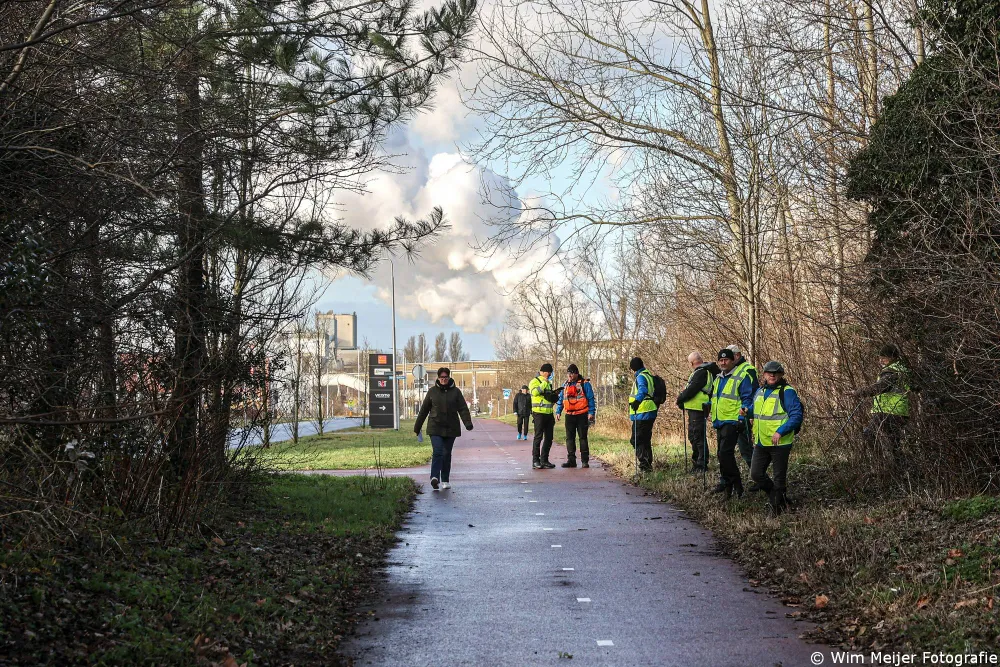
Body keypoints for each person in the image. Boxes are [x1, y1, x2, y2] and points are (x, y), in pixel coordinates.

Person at [747, 361, 803, 515]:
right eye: (769, 373)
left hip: (781, 443)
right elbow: (756, 410)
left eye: (775, 373)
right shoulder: (760, 391)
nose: (772, 375)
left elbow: (796, 416)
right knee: (756, 474)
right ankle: (778, 497)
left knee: (779, 478)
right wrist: (747, 411)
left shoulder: (787, 392)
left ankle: (776, 509)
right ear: (764, 374)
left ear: (781, 375)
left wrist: (780, 431)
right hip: (761, 441)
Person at [414, 367, 474, 491]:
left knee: (446, 454)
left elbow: (463, 408)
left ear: (449, 377)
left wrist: (467, 423)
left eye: (445, 377)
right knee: (438, 452)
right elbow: (424, 410)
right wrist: (417, 426)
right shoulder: (432, 392)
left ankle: (445, 480)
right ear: (438, 378)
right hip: (435, 427)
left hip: (451, 427)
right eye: (441, 378)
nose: (443, 380)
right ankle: (434, 477)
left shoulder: (456, 392)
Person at [852, 344, 912, 461]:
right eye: (880, 358)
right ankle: (898, 467)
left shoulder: (891, 372)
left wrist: (858, 392)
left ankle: (880, 463)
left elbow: (878, 388)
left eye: (884, 358)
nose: (880, 361)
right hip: (899, 412)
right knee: (894, 445)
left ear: (892, 358)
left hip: (889, 411)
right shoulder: (902, 369)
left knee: (868, 434)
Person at [709, 348, 755, 498]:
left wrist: (742, 418)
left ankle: (737, 485)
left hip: (733, 421)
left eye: (726, 360)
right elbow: (717, 399)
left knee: (725, 454)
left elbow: (747, 399)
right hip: (720, 421)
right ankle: (729, 487)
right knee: (721, 455)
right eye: (721, 360)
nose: (723, 363)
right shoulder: (718, 379)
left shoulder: (741, 376)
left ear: (732, 361)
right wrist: (707, 406)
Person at [675, 351, 718, 472]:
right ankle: (696, 463)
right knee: (693, 436)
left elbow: (692, 389)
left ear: (692, 363)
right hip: (695, 408)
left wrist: (680, 399)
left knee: (698, 436)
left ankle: (701, 464)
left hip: (698, 408)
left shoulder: (701, 372)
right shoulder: (703, 371)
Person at [555, 364, 596, 468]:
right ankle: (571, 460)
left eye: (572, 373)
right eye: (568, 373)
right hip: (569, 415)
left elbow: (591, 398)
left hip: (582, 414)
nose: (569, 375)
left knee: (583, 438)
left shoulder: (585, 384)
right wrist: (558, 411)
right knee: (569, 438)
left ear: (577, 374)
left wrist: (591, 412)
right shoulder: (565, 385)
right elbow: (561, 399)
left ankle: (585, 461)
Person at [727, 344, 759, 477]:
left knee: (746, 447)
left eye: (730, 357)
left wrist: (750, 413)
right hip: (732, 415)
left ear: (737, 355)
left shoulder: (747, 369)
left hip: (744, 414)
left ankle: (758, 476)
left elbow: (753, 392)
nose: (728, 360)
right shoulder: (732, 370)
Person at [628, 356, 658, 473]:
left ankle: (644, 465)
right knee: (645, 439)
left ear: (633, 368)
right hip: (649, 411)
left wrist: (637, 401)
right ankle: (647, 465)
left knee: (637, 439)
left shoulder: (640, 377)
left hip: (642, 412)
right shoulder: (648, 375)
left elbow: (643, 390)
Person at [529, 363, 560, 469]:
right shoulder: (534, 381)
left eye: (550, 372)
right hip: (538, 413)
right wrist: (543, 383)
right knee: (538, 437)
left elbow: (548, 397)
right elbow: (534, 393)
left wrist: (554, 395)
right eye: (548, 372)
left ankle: (544, 460)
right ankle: (535, 461)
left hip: (549, 413)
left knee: (549, 438)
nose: (549, 374)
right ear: (542, 372)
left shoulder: (548, 383)